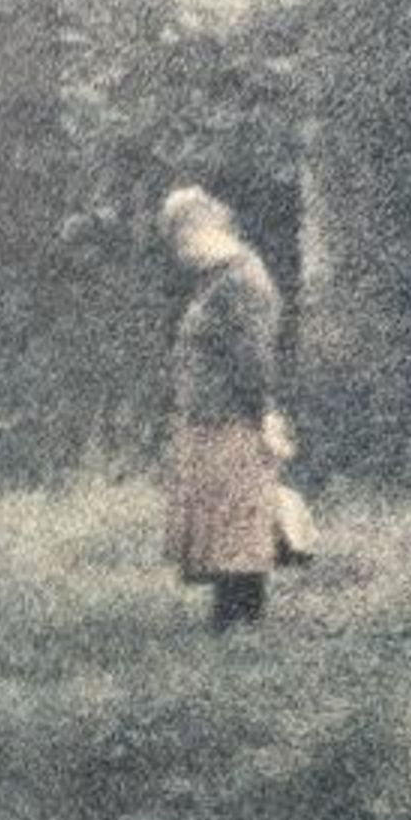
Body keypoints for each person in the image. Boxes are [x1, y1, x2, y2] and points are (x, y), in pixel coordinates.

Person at [159, 185, 291, 632]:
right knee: (223, 524)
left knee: (238, 525)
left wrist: (264, 414)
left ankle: (240, 622)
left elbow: (252, 358)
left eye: (183, 242)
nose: (181, 255)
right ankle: (231, 619)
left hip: (235, 419)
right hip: (214, 417)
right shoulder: (220, 279)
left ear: (204, 229)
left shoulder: (243, 281)